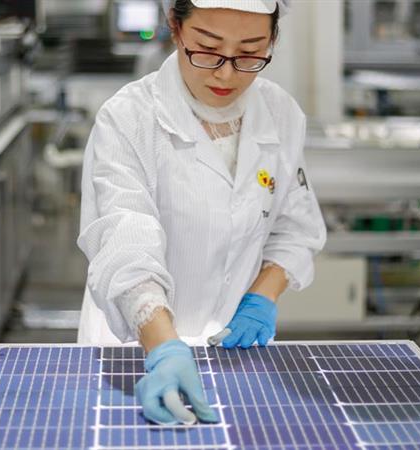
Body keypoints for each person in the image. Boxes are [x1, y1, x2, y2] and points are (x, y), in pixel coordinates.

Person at [76, 0, 326, 425]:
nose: (226, 74)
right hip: (134, 348)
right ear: (175, 27)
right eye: (208, 50)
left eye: (249, 53)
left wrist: (262, 298)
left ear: (272, 41)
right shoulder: (129, 118)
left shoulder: (281, 114)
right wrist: (164, 347)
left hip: (229, 350)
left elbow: (295, 227)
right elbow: (124, 242)